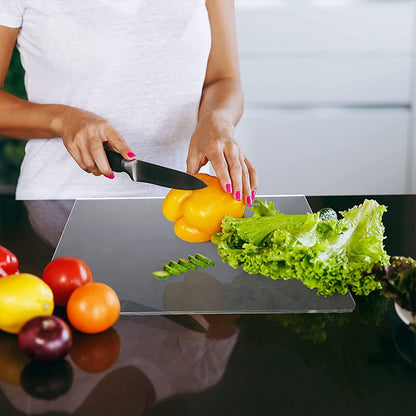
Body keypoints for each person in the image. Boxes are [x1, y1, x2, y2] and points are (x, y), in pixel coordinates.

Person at [0, 0, 257, 203]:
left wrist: (216, 122)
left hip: (190, 202)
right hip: (62, 202)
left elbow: (223, 79)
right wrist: (61, 120)